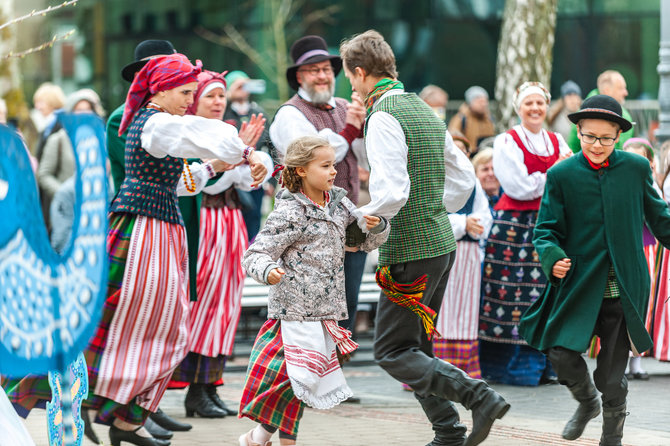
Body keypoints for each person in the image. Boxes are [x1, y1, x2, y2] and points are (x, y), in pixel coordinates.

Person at [4, 53, 268, 446]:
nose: (189, 100)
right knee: (127, 323)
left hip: (158, 229)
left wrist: (221, 165)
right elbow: (207, 133)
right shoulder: (157, 122)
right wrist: (244, 152)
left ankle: (121, 417)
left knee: (157, 327)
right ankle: (63, 402)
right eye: (185, 92)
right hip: (142, 230)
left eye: (193, 93)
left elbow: (178, 182)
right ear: (160, 90)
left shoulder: (157, 124)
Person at [340, 30, 509, 446]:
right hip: (439, 245)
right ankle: (448, 430)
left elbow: (392, 193)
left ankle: (478, 396)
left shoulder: (382, 116)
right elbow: (464, 176)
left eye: (350, 78)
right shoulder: (421, 107)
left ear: (360, 74)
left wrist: (357, 226)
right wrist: (437, 210)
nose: (352, 87)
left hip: (411, 250)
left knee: (392, 351)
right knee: (415, 346)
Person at [519, 94, 670, 445]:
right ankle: (587, 402)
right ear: (579, 132)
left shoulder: (636, 169)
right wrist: (552, 256)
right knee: (559, 350)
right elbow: (545, 229)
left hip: (625, 289)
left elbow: (660, 218)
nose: (597, 145)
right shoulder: (561, 174)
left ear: (618, 135)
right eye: (589, 136)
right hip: (579, 284)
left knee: (611, 377)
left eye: (606, 137)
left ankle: (612, 436)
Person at [239, 136, 389, 446]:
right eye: (325, 165)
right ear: (302, 171)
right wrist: (268, 271)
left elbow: (361, 243)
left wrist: (376, 228)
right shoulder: (289, 213)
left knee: (303, 384)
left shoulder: (338, 203)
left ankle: (263, 438)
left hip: (326, 313)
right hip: (292, 313)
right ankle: (263, 438)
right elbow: (255, 255)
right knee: (295, 379)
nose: (334, 171)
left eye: (334, 164)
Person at [169, 70, 271, 419]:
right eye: (210, 96)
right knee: (204, 306)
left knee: (225, 307)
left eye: (221, 96)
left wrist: (250, 158)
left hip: (230, 223)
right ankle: (195, 390)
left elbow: (246, 180)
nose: (217, 102)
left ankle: (210, 387)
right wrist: (235, 157)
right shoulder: (184, 133)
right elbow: (205, 185)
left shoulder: (226, 132)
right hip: (205, 224)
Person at [269, 35, 368, 350]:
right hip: (307, 224)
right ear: (299, 76)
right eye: (313, 70)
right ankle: (306, 372)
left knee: (347, 299)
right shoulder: (289, 114)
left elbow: (364, 158)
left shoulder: (344, 107)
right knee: (311, 301)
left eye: (326, 69)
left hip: (347, 219)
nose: (323, 76)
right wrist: (350, 130)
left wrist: (364, 129)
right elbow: (313, 157)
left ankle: (335, 373)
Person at [479, 81, 572, 387]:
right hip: (514, 228)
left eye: (540, 103)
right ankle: (510, 367)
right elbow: (518, 186)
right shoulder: (507, 141)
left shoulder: (557, 139)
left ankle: (548, 365)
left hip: (549, 224)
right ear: (519, 108)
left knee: (549, 293)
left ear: (547, 106)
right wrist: (554, 174)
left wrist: (550, 176)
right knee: (512, 297)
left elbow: (570, 176)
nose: (534, 109)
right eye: (528, 104)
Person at [108, 40, 178, 195]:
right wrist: (208, 164)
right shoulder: (121, 120)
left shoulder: (180, 111)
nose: (168, 78)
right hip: (144, 212)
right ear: (138, 76)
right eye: (159, 71)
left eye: (172, 71)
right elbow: (157, 171)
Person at [37, 89, 105, 229]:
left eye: (88, 109)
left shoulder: (102, 139)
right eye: (79, 109)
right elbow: (44, 174)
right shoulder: (59, 139)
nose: (84, 113)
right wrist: (64, 193)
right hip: (67, 213)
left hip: (95, 210)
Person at [223, 70, 272, 242]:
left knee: (253, 223)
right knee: (232, 226)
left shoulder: (259, 113)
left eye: (246, 84)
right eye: (238, 85)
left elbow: (271, 147)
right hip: (228, 179)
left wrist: (271, 181)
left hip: (254, 181)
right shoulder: (223, 112)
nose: (243, 88)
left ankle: (248, 262)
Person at [567, 70, 633, 152]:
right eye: (620, 88)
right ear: (607, 90)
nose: (626, 93)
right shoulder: (583, 113)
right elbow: (572, 148)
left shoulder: (582, 112)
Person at [448, 85, 495, 151]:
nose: (483, 104)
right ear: (470, 102)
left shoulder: (489, 119)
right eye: (480, 101)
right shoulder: (460, 119)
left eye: (485, 101)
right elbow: (454, 138)